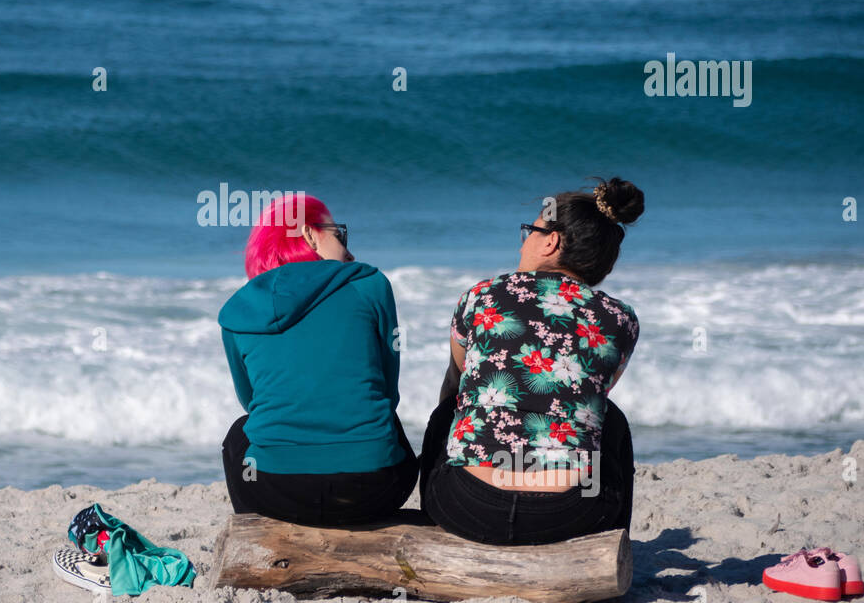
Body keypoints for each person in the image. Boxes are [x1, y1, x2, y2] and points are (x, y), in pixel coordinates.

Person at [420, 177, 644, 545]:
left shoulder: (483, 295)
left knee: (448, 408)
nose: (524, 240)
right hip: (569, 511)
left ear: (551, 241)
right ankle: (610, 538)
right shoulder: (620, 318)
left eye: (531, 230)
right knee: (611, 418)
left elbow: (457, 375)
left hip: (468, 505)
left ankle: (436, 525)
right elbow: (594, 390)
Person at [219, 193, 417, 526]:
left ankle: (257, 531)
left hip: (273, 488)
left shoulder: (238, 310)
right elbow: (387, 389)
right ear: (308, 234)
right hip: (373, 487)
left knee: (240, 434)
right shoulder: (371, 285)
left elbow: (252, 403)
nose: (349, 250)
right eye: (339, 234)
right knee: (385, 423)